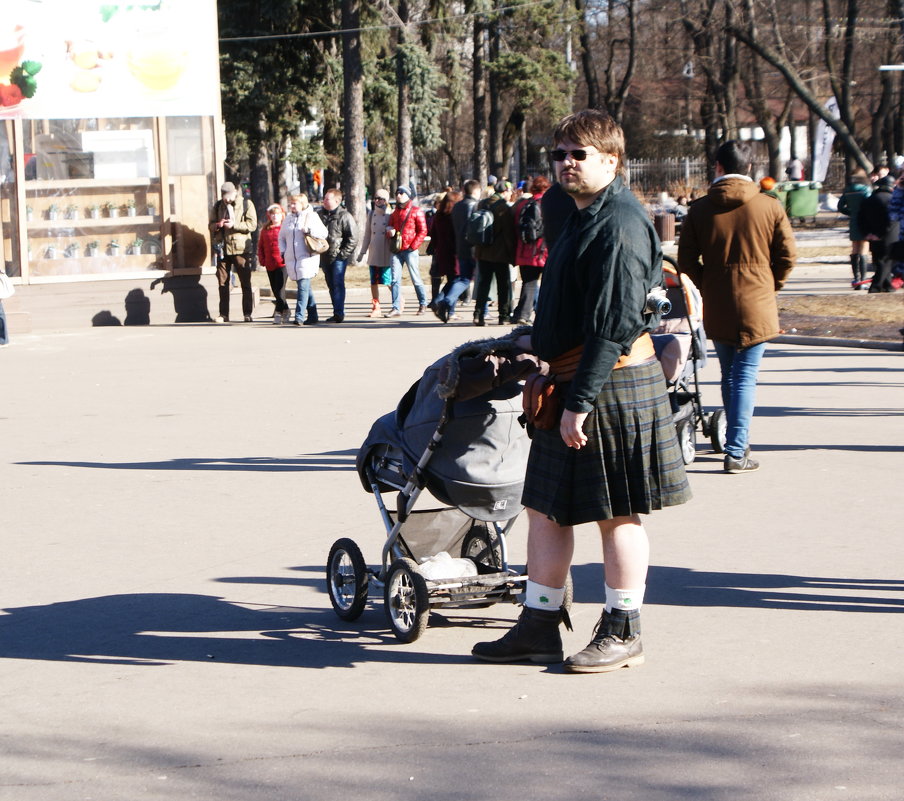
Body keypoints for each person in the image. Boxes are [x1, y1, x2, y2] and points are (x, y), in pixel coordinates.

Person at [471, 109, 692, 673]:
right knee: (546, 511)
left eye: (579, 155)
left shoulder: (619, 222)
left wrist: (578, 402)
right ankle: (539, 626)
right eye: (558, 154)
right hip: (573, 377)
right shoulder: (579, 211)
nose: (565, 164)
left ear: (612, 162)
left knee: (617, 515)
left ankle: (624, 630)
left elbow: (613, 325)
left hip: (610, 382)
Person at [678, 140, 797, 473]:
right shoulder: (769, 206)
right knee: (744, 377)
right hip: (758, 301)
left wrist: (707, 282)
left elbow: (686, 261)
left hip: (718, 301)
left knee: (730, 376)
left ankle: (734, 443)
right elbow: (788, 256)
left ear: (717, 167)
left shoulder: (700, 209)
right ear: (749, 168)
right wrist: (770, 282)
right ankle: (736, 449)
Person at [209, 181, 257, 323]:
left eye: (229, 195)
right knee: (223, 283)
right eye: (224, 196)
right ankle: (223, 314)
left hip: (241, 248)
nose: (226, 199)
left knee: (245, 282)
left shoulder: (246, 204)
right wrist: (218, 225)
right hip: (223, 248)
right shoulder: (218, 206)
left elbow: (252, 224)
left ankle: (247, 313)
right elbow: (210, 224)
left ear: (235, 192)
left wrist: (234, 225)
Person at [280, 193, 328, 326]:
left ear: (302, 204)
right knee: (305, 288)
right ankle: (313, 315)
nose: (292, 206)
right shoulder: (288, 219)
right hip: (292, 258)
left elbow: (324, 233)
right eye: (291, 203)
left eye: (295, 203)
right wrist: (282, 251)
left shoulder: (311, 216)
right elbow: (282, 237)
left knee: (303, 286)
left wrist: (309, 230)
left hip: (307, 257)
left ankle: (299, 316)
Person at [439, 178, 483, 323]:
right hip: (472, 247)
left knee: (464, 277)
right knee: (468, 279)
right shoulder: (474, 205)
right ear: (476, 191)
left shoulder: (457, 206)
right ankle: (449, 300)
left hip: (460, 247)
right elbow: (475, 227)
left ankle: (448, 300)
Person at [473, 179, 516, 326]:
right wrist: (512, 254)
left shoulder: (482, 203)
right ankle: (503, 315)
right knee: (503, 284)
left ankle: (478, 315)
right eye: (510, 192)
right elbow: (509, 233)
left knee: (483, 283)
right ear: (504, 192)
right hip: (500, 252)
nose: (511, 194)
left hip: (482, 250)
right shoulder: (503, 207)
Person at [511, 175, 550, 325]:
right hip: (542, 250)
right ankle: (532, 314)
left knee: (528, 282)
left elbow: (515, 225)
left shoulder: (523, 204)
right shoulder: (548, 204)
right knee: (546, 283)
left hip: (524, 250)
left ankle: (521, 313)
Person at [387, 186, 429, 316]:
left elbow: (423, 230)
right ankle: (396, 307)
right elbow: (390, 225)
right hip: (397, 249)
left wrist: (413, 246)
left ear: (408, 195)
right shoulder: (395, 212)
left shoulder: (416, 211)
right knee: (394, 279)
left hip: (410, 250)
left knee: (415, 278)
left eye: (401, 193)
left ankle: (423, 303)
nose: (398, 195)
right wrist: (390, 231)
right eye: (397, 193)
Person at [318, 188, 358, 323]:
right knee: (330, 284)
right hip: (324, 256)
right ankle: (336, 311)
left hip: (338, 258)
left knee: (338, 284)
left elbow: (353, 238)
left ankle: (339, 313)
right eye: (324, 198)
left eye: (327, 199)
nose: (324, 201)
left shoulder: (345, 216)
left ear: (337, 201)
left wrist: (342, 254)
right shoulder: (320, 215)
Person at [858, 173, 899, 293]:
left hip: (872, 236)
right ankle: (876, 286)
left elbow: (860, 219)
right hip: (889, 236)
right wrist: (881, 234)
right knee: (886, 261)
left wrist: (867, 233)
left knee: (879, 260)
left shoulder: (868, 200)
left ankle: (887, 285)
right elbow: (891, 221)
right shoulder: (892, 200)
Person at [426, 189, 462, 320]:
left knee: (452, 281)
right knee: (456, 281)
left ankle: (447, 309)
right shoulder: (454, 217)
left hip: (442, 253)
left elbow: (433, 235)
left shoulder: (438, 216)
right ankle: (440, 302)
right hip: (454, 253)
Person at [358, 188, 393, 318]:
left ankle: (398, 299)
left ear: (386, 200)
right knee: (373, 281)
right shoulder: (371, 214)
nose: (378, 201)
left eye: (381, 198)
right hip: (374, 251)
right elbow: (367, 234)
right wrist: (362, 252)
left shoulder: (391, 214)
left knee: (387, 280)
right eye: (376, 198)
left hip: (386, 251)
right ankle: (376, 306)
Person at [837, 169, 872, 289]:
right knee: (864, 249)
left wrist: (851, 212)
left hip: (853, 221)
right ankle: (863, 280)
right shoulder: (865, 189)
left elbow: (840, 206)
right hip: (865, 221)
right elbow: (869, 204)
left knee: (854, 249)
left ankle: (856, 278)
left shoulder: (848, 190)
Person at [257, 203, 290, 324]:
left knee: (280, 289)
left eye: (277, 214)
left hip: (282, 263)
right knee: (275, 290)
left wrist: (287, 258)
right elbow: (260, 247)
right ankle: (286, 309)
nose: (275, 216)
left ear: (282, 215)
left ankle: (279, 313)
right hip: (270, 263)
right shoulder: (265, 230)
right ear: (269, 216)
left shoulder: (284, 228)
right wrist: (262, 259)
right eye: (272, 214)